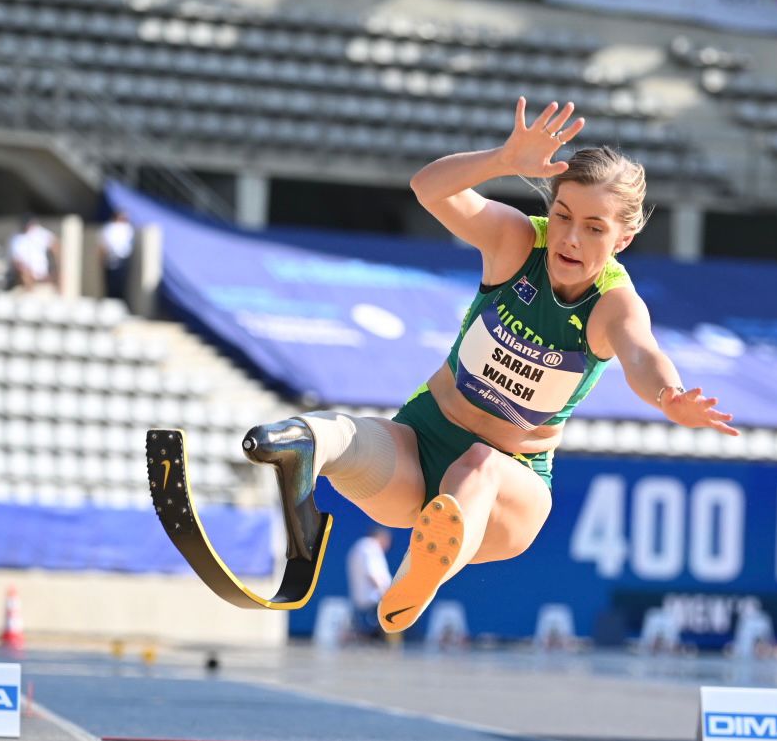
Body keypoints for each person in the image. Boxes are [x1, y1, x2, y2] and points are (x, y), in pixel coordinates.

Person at [243, 97, 739, 635]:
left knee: (479, 464)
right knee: (345, 435)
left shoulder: (614, 304)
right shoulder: (518, 241)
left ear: (624, 239)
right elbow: (428, 189)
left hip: (508, 491)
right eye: (563, 216)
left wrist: (669, 396)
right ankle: (302, 453)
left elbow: (642, 354)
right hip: (419, 450)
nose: (571, 238)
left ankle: (420, 572)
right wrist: (502, 160)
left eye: (594, 228)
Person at [346, 526, 393, 641]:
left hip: (365, 599)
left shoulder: (360, 546)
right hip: (373, 600)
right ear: (383, 538)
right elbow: (372, 574)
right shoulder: (370, 547)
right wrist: (387, 595)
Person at [8, 215, 59, 292]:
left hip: (43, 274)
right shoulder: (15, 238)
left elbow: (56, 247)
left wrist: (55, 269)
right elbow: (16, 260)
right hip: (25, 274)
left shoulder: (41, 233)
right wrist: (26, 271)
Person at [99, 210, 135, 302]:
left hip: (122, 260)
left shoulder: (127, 228)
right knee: (112, 284)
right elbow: (104, 246)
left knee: (120, 283)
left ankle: (117, 301)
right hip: (111, 259)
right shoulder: (109, 228)